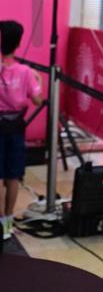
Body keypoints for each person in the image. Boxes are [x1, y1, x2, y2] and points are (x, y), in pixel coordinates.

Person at [0, 20, 42, 240]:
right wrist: (38, 80)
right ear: (18, 44)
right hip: (16, 128)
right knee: (13, 175)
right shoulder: (26, 72)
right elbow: (37, 100)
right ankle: (7, 223)